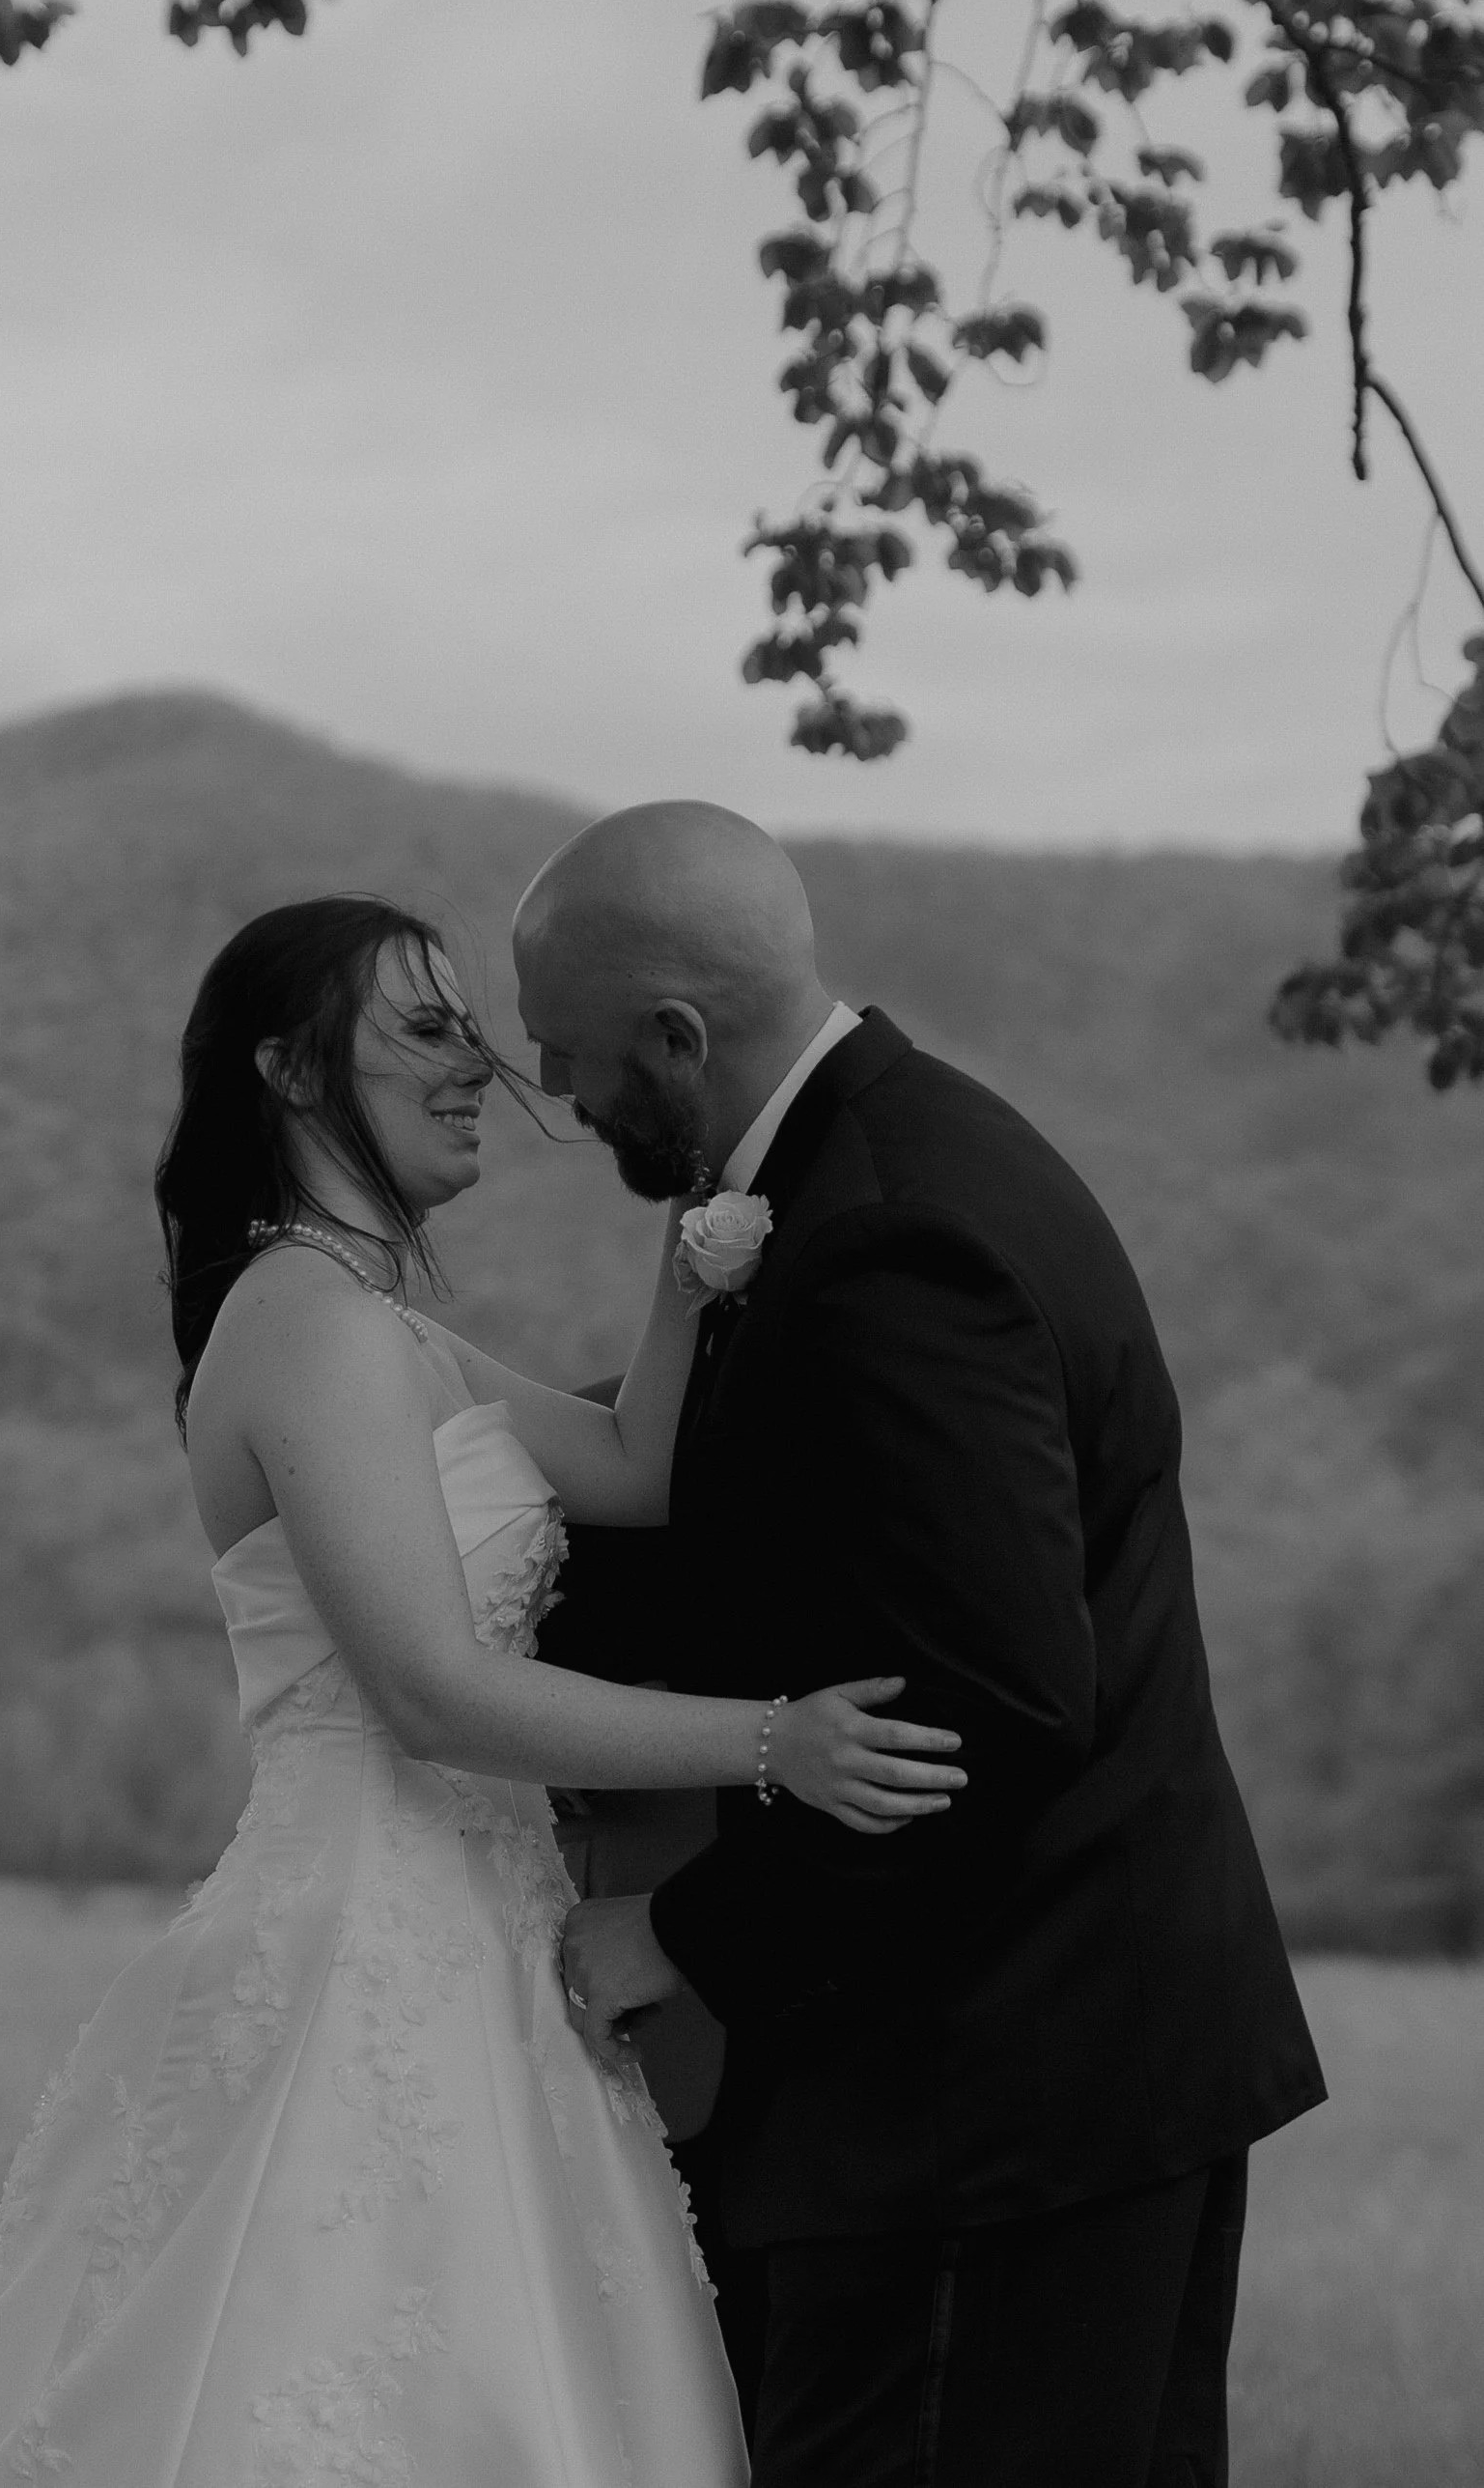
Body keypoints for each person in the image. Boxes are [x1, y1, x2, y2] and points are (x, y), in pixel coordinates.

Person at [0, 892, 966, 2488]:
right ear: (291, 1070)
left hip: (487, 1936)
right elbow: (429, 1692)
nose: (477, 1068)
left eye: (474, 1032)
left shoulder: (386, 1330)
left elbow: (634, 1466)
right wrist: (776, 1742)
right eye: (425, 1030)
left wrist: (690, 1255)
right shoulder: (310, 1329)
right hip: (362, 1937)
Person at [523, 803, 1329, 2488]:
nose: (559, 1092)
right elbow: (810, 1556)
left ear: (675, 1036)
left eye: (571, 1053)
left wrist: (684, 1933)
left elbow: (987, 1700)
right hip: (1058, 2075)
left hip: (988, 2095)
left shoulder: (888, 1238)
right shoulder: (885, 1166)